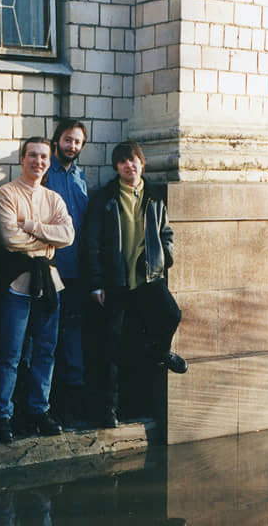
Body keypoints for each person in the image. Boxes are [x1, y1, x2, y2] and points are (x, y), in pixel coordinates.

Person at [84, 139, 187, 427]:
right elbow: (91, 244)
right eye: (123, 161)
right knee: (111, 347)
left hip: (147, 279)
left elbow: (166, 232)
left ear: (142, 163)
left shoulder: (153, 197)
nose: (129, 165)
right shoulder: (105, 199)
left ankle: (161, 352)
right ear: (116, 167)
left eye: (134, 160)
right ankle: (109, 410)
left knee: (171, 314)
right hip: (115, 282)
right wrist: (95, 283)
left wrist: (163, 257)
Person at [0, 137, 75, 443]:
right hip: (18, 283)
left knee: (45, 351)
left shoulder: (53, 198)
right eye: (32, 155)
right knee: (10, 353)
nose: (38, 161)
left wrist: (31, 225)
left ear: (48, 162)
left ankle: (39, 409)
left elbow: (68, 234)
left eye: (43, 157)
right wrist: (46, 241)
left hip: (50, 283)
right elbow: (9, 238)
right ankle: (2, 414)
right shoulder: (6, 194)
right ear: (22, 159)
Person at [44, 119, 89, 429]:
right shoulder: (45, 174)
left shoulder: (80, 177)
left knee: (73, 338)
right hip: (50, 270)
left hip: (78, 272)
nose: (72, 146)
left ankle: (72, 408)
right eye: (67, 140)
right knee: (48, 338)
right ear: (56, 140)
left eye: (77, 142)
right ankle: (47, 407)